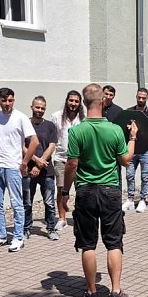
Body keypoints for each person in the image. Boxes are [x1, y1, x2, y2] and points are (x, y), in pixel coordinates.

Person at [61, 83, 138, 297]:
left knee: (88, 244)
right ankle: (115, 292)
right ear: (103, 101)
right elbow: (125, 161)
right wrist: (132, 137)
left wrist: (65, 192)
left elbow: (71, 165)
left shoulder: (76, 131)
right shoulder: (114, 130)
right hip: (110, 190)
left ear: (84, 104)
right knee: (113, 242)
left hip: (85, 191)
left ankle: (92, 293)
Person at [0, 87, 38, 253]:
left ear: (14, 100)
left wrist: (25, 162)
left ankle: (18, 237)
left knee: (16, 203)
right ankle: (1, 235)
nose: (7, 104)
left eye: (10, 100)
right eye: (4, 100)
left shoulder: (20, 118)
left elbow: (34, 141)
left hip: (13, 167)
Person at [23, 96, 59, 240]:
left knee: (49, 202)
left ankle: (51, 228)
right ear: (31, 107)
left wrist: (40, 163)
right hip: (27, 170)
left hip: (46, 171)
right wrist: (36, 160)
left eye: (42, 108)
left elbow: (52, 146)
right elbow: (22, 146)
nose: (40, 110)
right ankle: (26, 229)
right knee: (27, 202)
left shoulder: (50, 125)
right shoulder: (25, 123)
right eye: (37, 107)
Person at [51, 90, 85, 231]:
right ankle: (62, 218)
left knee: (81, 190)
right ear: (66, 101)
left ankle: (80, 218)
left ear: (80, 103)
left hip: (79, 160)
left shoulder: (84, 119)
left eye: (76, 101)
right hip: (61, 158)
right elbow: (53, 138)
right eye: (71, 100)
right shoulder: (56, 117)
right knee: (60, 188)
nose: (73, 104)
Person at [123, 87, 148, 213]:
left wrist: (143, 127)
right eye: (139, 97)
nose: (141, 99)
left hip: (146, 150)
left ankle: (143, 199)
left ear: (147, 98)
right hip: (132, 149)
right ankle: (130, 199)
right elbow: (122, 126)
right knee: (129, 175)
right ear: (136, 96)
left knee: (145, 176)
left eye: (143, 98)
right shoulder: (129, 111)